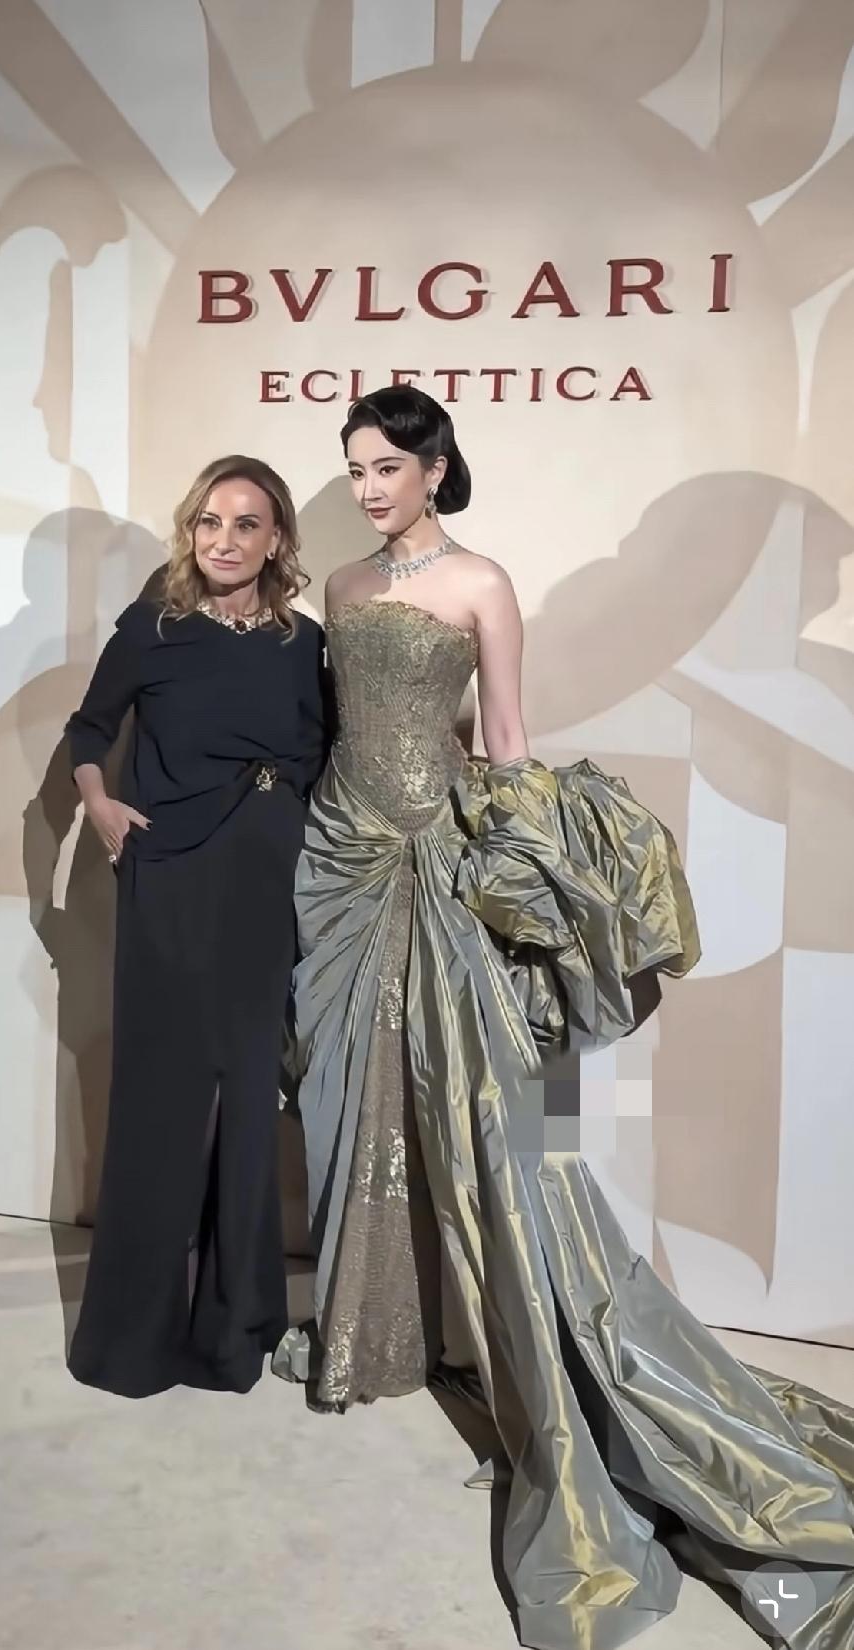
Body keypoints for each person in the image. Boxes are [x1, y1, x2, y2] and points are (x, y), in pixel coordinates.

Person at [273, 387, 854, 1650]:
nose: (366, 489)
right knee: (351, 1095)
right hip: (341, 856)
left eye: (385, 468)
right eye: (354, 469)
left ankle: (550, 1353)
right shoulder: (341, 585)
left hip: (438, 860)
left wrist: (520, 868)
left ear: (434, 468)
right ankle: (372, 1330)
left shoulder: (482, 581)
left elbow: (503, 736)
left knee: (499, 1123)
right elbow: (342, 730)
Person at [65, 455, 329, 1399]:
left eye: (246, 524)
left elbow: (329, 755)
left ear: (276, 538)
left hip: (267, 878)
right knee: (166, 1095)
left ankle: (232, 1328)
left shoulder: (304, 642)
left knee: (248, 1095)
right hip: (172, 873)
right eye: (209, 522)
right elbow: (88, 731)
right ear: (192, 531)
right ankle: (136, 1337)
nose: (224, 540)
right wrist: (99, 803)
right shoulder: (153, 627)